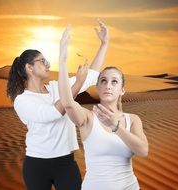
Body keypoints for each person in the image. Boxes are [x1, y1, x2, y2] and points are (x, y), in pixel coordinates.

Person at [6, 20, 109, 190]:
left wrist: (104, 43)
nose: (48, 64)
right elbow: (54, 112)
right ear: (29, 68)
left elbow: (91, 76)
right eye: (42, 61)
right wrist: (65, 62)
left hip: (66, 163)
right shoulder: (22, 100)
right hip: (36, 166)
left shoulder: (56, 87)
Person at [58, 27, 148, 190]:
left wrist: (116, 127)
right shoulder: (87, 118)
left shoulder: (132, 120)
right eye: (103, 81)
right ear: (97, 87)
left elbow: (143, 151)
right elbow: (68, 103)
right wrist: (63, 60)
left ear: (122, 89)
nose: (108, 85)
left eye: (114, 82)